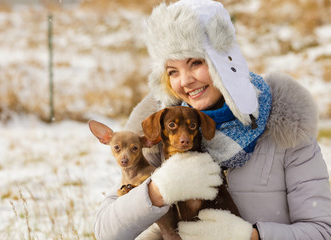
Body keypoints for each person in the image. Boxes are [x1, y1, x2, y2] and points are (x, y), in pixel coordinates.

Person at [94, 0, 331, 239]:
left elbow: (321, 231)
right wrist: (157, 191)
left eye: (195, 62)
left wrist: (249, 236)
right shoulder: (162, 131)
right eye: (172, 71)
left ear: (224, 61)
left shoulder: (285, 131)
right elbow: (107, 232)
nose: (184, 81)